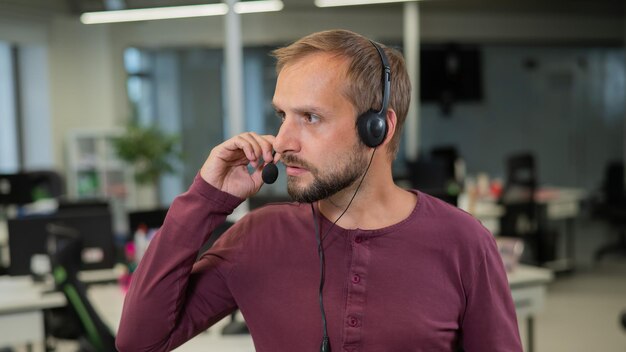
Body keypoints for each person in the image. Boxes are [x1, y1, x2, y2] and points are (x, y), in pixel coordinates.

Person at [116, 29, 522, 352]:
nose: (282, 140)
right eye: (282, 115)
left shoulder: (464, 242)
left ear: (378, 128)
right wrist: (207, 197)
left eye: (310, 117)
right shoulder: (257, 238)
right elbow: (140, 341)